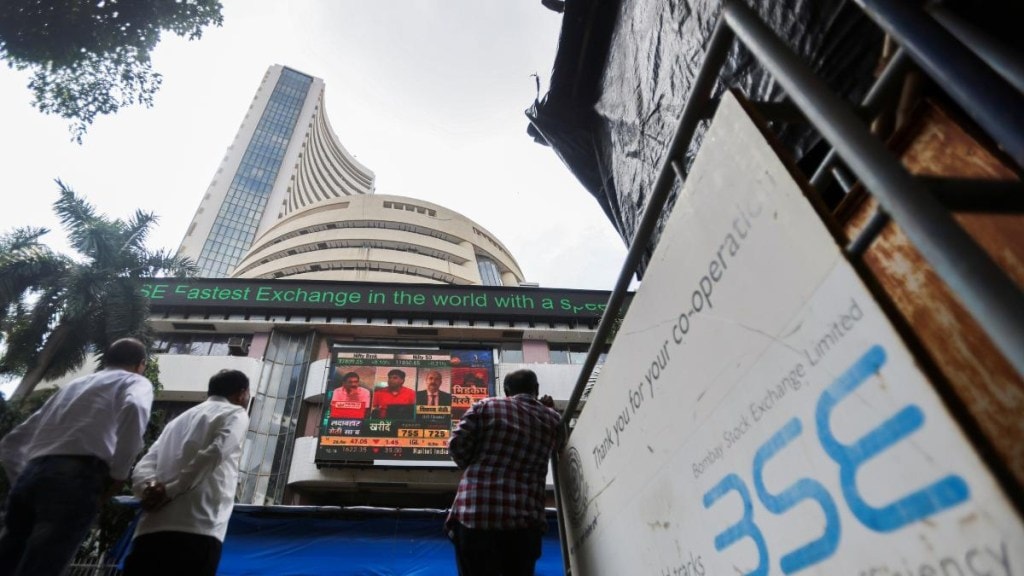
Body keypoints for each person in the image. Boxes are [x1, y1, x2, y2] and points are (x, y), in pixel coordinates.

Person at [0, 338, 153, 576]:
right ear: (141, 364)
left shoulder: (73, 386)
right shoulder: (134, 381)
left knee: (7, 558)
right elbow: (135, 408)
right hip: (77, 477)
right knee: (43, 564)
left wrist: (23, 478)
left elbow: (11, 443)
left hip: (30, 475)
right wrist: (119, 475)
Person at [123, 369, 251, 576]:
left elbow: (145, 464)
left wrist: (148, 489)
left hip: (149, 529)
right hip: (198, 527)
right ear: (242, 394)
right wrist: (170, 491)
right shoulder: (236, 413)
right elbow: (216, 451)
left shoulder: (176, 421)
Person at [445, 369, 561, 576]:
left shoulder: (485, 406)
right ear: (536, 389)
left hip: (476, 517)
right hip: (525, 525)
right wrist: (548, 410)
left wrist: (476, 465)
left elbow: (457, 445)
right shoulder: (553, 419)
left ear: (506, 391)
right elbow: (560, 445)